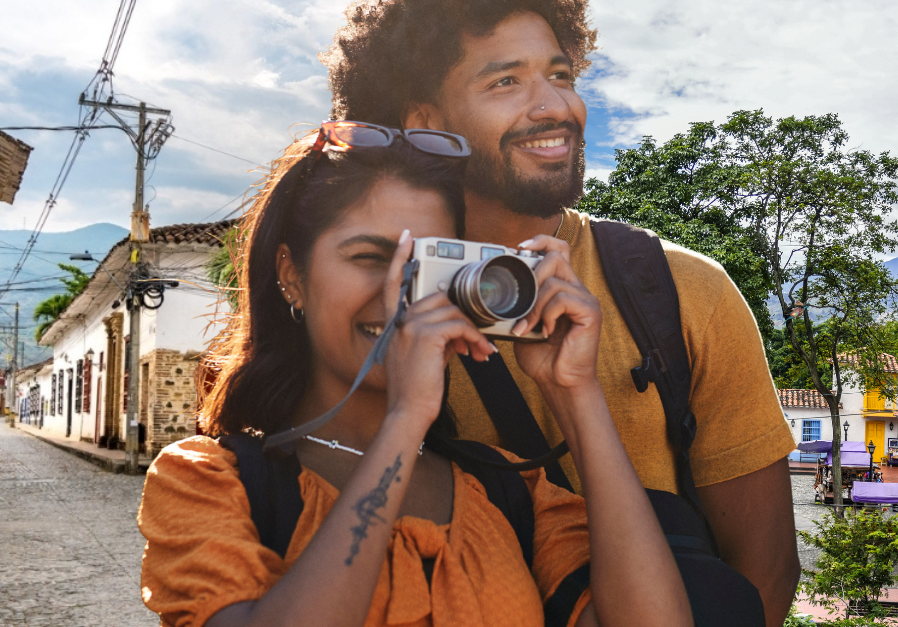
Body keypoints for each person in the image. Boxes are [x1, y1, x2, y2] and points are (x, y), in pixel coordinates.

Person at [322, 0, 801, 624]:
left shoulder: (687, 295)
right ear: (426, 119)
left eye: (560, 75)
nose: (556, 107)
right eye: (506, 81)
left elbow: (765, 571)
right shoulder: (369, 307)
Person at [137, 124, 692, 627]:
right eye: (371, 258)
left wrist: (576, 391)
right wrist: (405, 421)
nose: (401, 295)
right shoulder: (207, 482)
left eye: (428, 268)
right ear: (291, 275)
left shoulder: (505, 490)